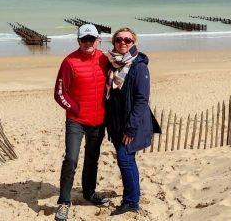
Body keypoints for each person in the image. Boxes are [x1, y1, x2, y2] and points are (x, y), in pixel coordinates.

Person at [52, 24, 111, 221]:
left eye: (91, 39)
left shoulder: (105, 58)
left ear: (98, 40)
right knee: (71, 158)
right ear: (78, 40)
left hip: (98, 120)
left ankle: (89, 193)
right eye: (84, 39)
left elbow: (128, 61)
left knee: (92, 159)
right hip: (76, 120)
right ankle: (64, 202)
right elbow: (60, 93)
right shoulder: (69, 61)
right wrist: (75, 109)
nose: (88, 43)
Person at [104, 27, 161, 216]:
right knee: (129, 160)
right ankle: (133, 197)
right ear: (114, 42)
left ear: (133, 43)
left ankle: (131, 201)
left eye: (127, 40)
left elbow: (142, 100)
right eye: (119, 39)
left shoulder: (139, 67)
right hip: (117, 123)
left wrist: (130, 128)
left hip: (131, 125)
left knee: (124, 159)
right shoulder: (112, 64)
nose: (123, 43)